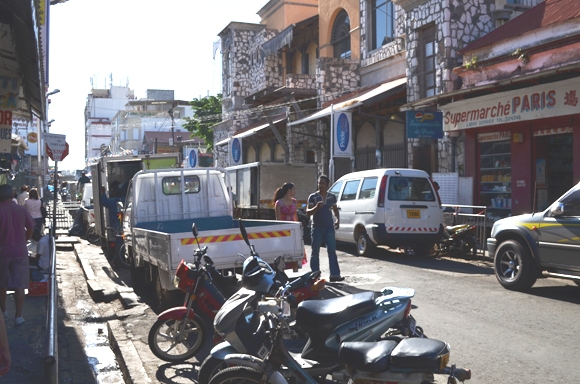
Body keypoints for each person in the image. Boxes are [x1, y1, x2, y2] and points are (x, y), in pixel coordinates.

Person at [0, 184, 36, 325]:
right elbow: (31, 228)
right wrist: (24, 239)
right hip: (20, 251)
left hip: (2, 252)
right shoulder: (20, 209)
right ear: (12, 194)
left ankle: (4, 312)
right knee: (19, 285)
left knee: (1, 284)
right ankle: (18, 316)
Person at [306, 175, 344, 282]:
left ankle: (335, 275)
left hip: (329, 228)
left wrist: (337, 220)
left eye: (323, 183)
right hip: (317, 228)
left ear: (327, 184)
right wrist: (316, 207)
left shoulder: (332, 197)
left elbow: (335, 210)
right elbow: (308, 213)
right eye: (319, 183)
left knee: (332, 251)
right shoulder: (313, 197)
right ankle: (315, 275)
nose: (320, 185)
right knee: (315, 252)